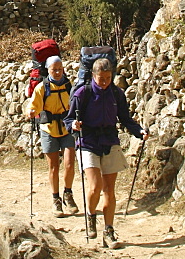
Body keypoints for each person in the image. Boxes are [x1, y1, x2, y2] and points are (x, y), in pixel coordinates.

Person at [67, 57, 148, 248]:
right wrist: (73, 125)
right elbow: (69, 119)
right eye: (101, 78)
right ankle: (91, 215)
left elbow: (125, 119)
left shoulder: (116, 94)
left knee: (109, 190)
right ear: (93, 76)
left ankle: (109, 231)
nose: (104, 82)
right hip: (87, 142)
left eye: (108, 78)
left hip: (110, 141)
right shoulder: (82, 94)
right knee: (95, 186)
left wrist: (139, 131)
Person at [28, 55, 79, 216]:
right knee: (54, 167)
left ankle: (68, 194)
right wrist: (30, 112)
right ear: (48, 70)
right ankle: (56, 199)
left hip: (67, 129)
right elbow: (33, 105)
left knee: (70, 164)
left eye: (59, 69)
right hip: (48, 130)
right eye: (54, 69)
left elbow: (75, 105)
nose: (57, 72)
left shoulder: (69, 86)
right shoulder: (42, 88)